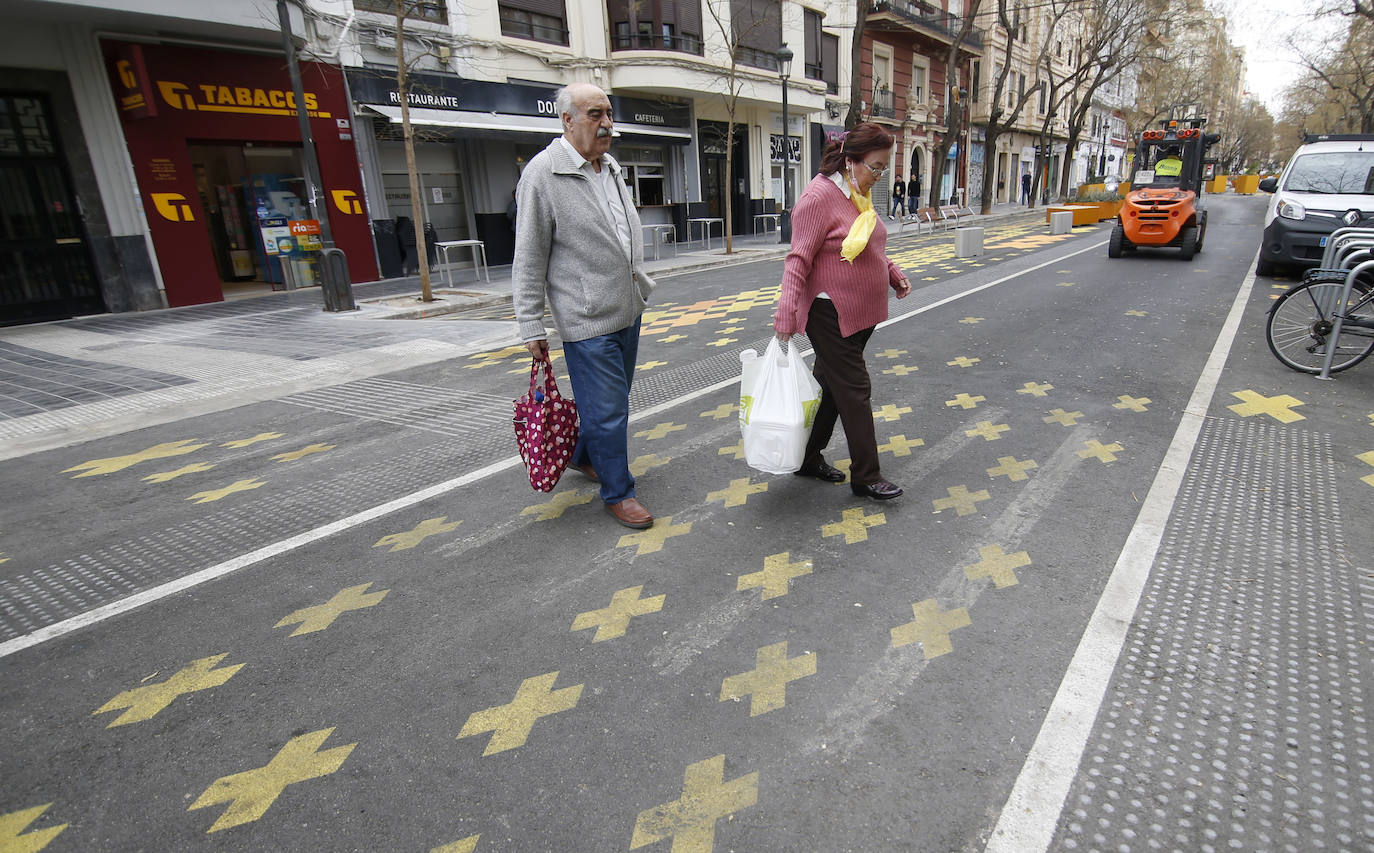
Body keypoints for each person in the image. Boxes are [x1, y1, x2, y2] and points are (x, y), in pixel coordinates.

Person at [511, 82, 657, 529]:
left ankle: (583, 455)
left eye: (609, 113)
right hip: (585, 318)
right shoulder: (543, 174)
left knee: (610, 404)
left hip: (627, 308)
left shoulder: (609, 166)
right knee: (610, 410)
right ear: (567, 120)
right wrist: (531, 323)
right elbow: (529, 254)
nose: (607, 123)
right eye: (595, 114)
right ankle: (619, 492)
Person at [773, 122, 912, 501]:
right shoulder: (818, 198)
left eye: (884, 169)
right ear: (851, 161)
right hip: (829, 313)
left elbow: (869, 245)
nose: (879, 176)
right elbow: (797, 259)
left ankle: (805, 457)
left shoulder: (857, 195)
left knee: (832, 390)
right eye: (876, 167)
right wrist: (786, 315)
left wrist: (892, 273)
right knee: (854, 389)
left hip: (859, 314)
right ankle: (866, 475)